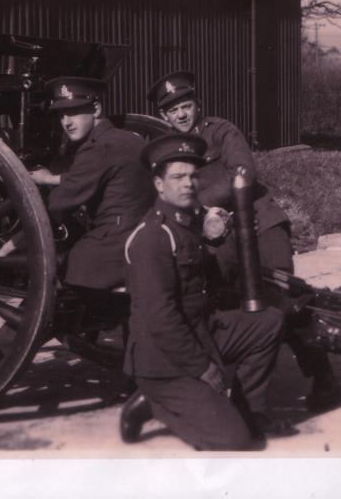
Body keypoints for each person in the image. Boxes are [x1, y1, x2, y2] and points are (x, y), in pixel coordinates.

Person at [146, 71, 341, 412]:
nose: (181, 115)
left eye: (187, 106)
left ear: (197, 105)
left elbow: (243, 173)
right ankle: (241, 390)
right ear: (163, 116)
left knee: (285, 299)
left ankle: (324, 378)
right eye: (173, 110)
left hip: (259, 223)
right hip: (221, 239)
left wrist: (205, 205)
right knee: (230, 305)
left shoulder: (220, 130)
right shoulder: (168, 151)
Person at [119, 133, 285, 450]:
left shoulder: (187, 223)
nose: (188, 184)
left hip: (200, 332)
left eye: (193, 176)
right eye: (177, 177)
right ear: (158, 184)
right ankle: (153, 404)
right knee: (233, 441)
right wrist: (202, 367)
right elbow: (162, 320)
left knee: (268, 322)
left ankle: (247, 411)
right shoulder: (153, 237)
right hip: (164, 360)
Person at [27, 76, 153, 290]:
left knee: (71, 262)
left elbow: (57, 205)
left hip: (116, 244)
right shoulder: (129, 138)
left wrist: (9, 243)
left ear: (96, 109)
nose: (66, 122)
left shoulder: (97, 148)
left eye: (74, 111)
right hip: (145, 234)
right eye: (61, 114)